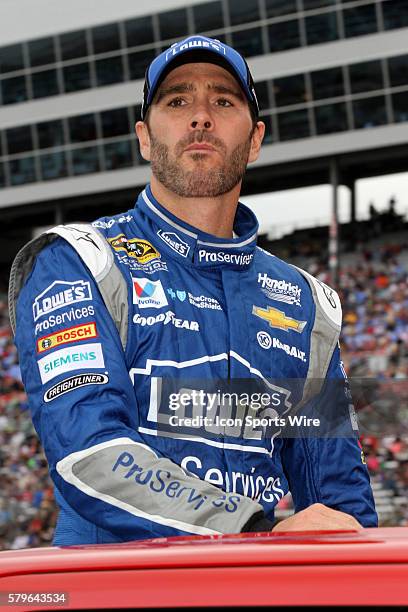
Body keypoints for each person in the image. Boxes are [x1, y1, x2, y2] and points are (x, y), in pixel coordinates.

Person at [9, 35, 377, 545]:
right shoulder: (78, 260)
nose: (200, 117)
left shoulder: (305, 303)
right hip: (114, 589)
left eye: (223, 102)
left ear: (255, 139)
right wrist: (253, 527)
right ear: (144, 136)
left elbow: (339, 501)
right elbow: (89, 455)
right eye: (177, 101)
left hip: (253, 587)